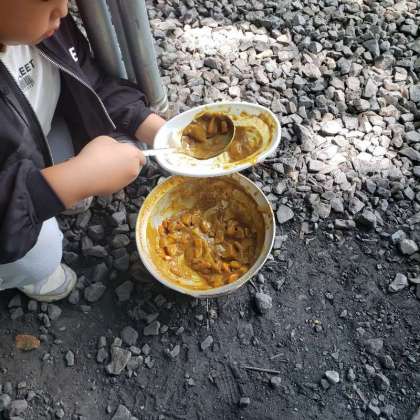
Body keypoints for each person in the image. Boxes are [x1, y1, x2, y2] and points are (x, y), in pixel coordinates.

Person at [0, 0, 166, 302]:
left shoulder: (47, 26)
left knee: (82, 136)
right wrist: (70, 182)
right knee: (41, 255)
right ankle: (25, 274)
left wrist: (155, 129)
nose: (65, 11)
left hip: (33, 137)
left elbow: (91, 81)